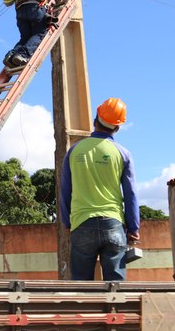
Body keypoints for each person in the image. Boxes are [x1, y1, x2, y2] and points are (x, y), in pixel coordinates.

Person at [60, 97, 140, 281]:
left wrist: (67, 222)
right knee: (116, 289)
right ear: (117, 127)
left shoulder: (74, 151)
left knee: (82, 287)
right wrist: (133, 227)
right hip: (113, 225)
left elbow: (65, 191)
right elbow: (131, 194)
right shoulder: (123, 153)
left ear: (95, 121)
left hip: (81, 223)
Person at [2, 0, 62, 68]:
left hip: (20, 12)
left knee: (25, 37)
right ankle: (22, 55)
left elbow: (7, 1)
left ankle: (11, 55)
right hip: (36, 7)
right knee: (40, 33)